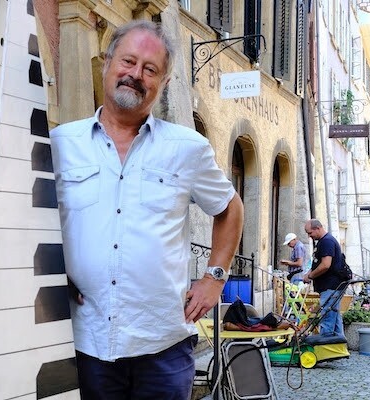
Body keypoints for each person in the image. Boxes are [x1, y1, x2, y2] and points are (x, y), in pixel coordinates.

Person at [50, 20, 244, 400]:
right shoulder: (60, 143)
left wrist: (215, 278)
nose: (136, 74)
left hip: (163, 346)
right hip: (85, 341)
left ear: (163, 83)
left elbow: (229, 207)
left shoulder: (187, 148)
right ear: (107, 63)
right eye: (128, 61)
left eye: (150, 69)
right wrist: (54, 274)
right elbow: (33, 220)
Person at [302, 219, 345, 337]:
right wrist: (308, 274)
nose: (309, 236)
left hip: (330, 286)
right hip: (332, 286)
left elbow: (325, 265)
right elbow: (318, 263)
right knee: (335, 319)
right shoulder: (324, 241)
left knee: (327, 320)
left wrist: (310, 275)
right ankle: (340, 344)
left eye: (310, 233)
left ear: (318, 228)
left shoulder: (327, 242)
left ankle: (325, 344)